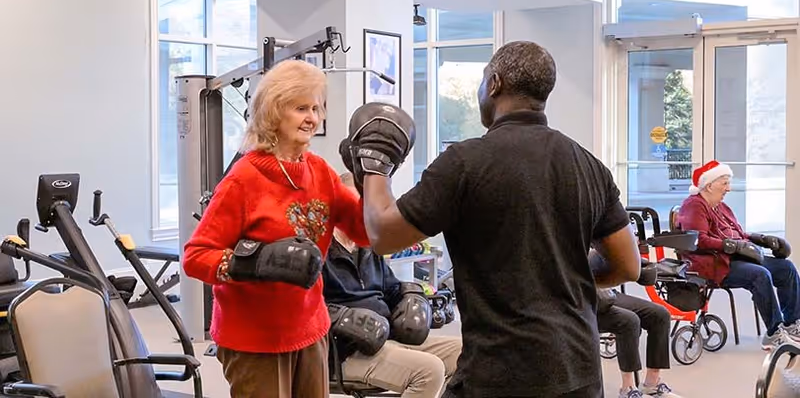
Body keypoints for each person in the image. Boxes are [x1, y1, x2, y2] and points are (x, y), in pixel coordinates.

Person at [338, 41, 642, 397]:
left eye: (482, 80)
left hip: (502, 373)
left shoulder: (465, 162)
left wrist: (376, 166)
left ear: (494, 84)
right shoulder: (588, 165)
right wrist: (561, 272)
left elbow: (384, 235)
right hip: (580, 370)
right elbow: (628, 265)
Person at [182, 60, 370, 398]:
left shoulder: (320, 172)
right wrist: (254, 263)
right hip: (253, 339)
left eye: (316, 107)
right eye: (301, 108)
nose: (312, 117)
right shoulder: (243, 180)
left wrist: (371, 178)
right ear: (273, 111)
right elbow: (196, 257)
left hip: (310, 329)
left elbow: (366, 232)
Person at [323, 172, 463, 398]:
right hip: (347, 353)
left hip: (388, 338)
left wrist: (412, 297)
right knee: (429, 370)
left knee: (467, 353)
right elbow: (310, 309)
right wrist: (348, 320)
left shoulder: (368, 249)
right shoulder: (321, 252)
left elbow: (393, 289)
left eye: (362, 206)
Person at [676, 160, 798, 351]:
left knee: (785, 268)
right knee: (759, 275)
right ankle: (774, 334)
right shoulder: (694, 206)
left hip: (734, 257)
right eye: (724, 183)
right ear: (709, 185)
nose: (729, 189)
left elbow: (737, 233)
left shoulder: (721, 207)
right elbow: (698, 240)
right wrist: (731, 246)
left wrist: (759, 239)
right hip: (712, 264)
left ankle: (792, 324)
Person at [596, 288, 681, 398]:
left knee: (660, 315)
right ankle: (628, 389)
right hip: (580, 297)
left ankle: (651, 384)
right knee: (629, 321)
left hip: (605, 292)